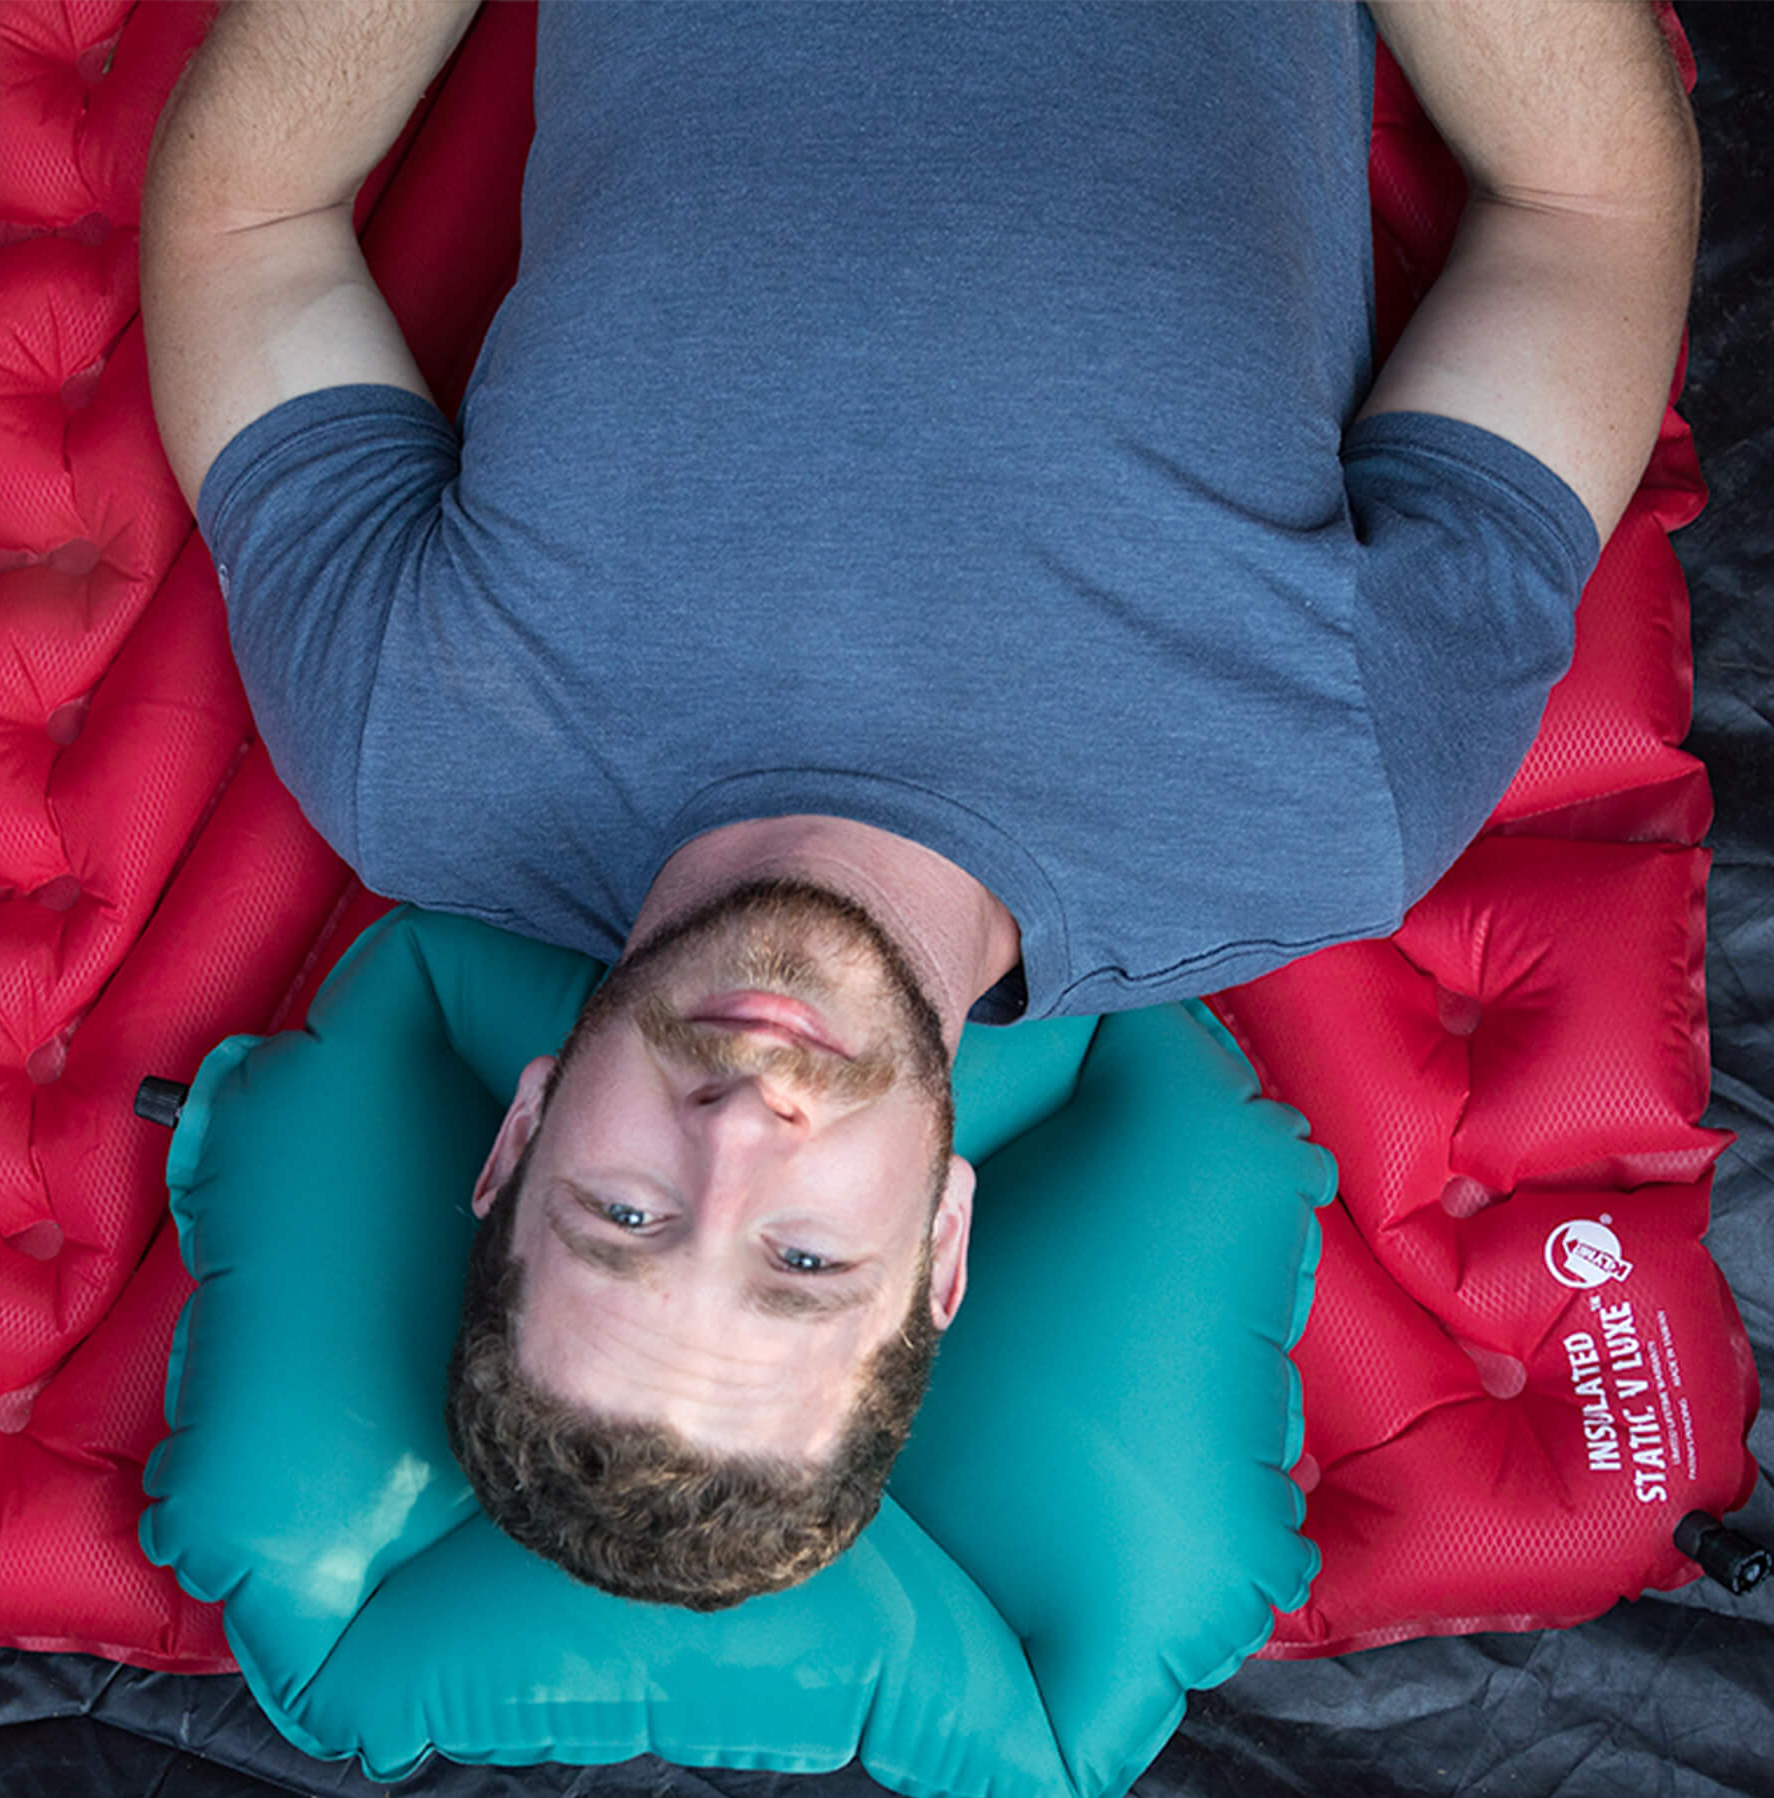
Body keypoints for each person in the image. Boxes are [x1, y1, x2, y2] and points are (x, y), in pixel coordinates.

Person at [140, 0, 1700, 1609]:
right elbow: (1582, 215)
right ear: (943, 1250)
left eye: (624, 1213)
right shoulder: (1326, 800)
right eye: (804, 1265)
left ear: (521, 1135)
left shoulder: (413, 751)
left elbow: (250, 224)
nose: (738, 1138)